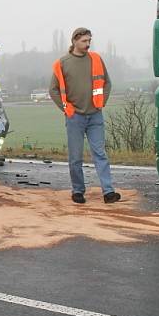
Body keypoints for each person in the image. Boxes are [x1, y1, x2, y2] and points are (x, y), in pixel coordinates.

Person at [49, 27, 120, 204]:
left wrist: (101, 102)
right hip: (75, 117)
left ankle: (108, 192)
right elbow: (53, 90)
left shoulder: (96, 59)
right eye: (84, 41)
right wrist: (66, 109)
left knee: (100, 154)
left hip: (95, 115)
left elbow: (107, 83)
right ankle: (78, 191)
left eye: (89, 41)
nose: (88, 44)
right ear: (74, 41)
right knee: (75, 157)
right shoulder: (62, 63)